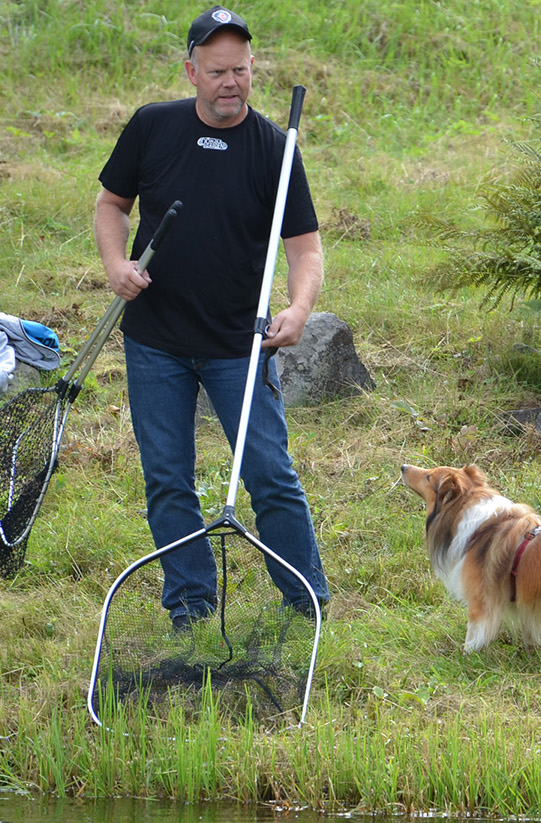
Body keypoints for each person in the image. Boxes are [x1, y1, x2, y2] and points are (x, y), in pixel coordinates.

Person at [94, 6, 328, 628]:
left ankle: (306, 601)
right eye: (218, 71)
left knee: (270, 475)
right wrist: (116, 263)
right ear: (191, 70)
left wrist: (299, 308)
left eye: (242, 70)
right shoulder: (152, 127)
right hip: (156, 342)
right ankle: (191, 604)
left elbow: (303, 246)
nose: (232, 82)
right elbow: (111, 204)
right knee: (168, 479)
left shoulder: (276, 148)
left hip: (238, 345)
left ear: (254, 70)